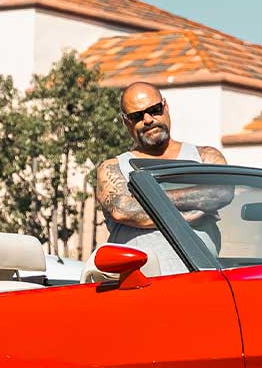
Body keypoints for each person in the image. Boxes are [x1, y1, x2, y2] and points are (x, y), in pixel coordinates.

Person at [93, 81, 231, 274]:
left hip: (203, 282)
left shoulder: (206, 157)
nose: (148, 120)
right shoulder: (113, 167)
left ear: (165, 106)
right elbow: (122, 210)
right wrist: (191, 209)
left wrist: (146, 200)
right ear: (126, 122)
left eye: (154, 110)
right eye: (137, 116)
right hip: (139, 285)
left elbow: (222, 193)